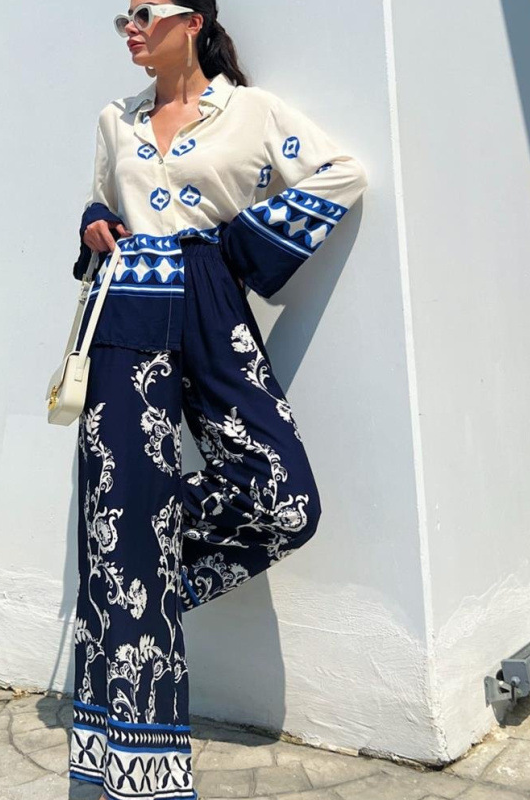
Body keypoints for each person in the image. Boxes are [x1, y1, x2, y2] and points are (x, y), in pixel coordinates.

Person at [67, 3, 368, 799]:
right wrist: (96, 222)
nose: (129, 28)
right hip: (128, 302)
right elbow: (100, 201)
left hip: (208, 294)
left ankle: (142, 574)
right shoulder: (115, 118)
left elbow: (342, 173)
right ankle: (141, 772)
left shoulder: (252, 110)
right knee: (122, 509)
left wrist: (240, 246)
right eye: (122, 18)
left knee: (285, 496)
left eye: (143, 13)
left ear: (192, 22)